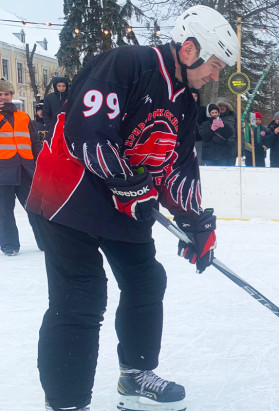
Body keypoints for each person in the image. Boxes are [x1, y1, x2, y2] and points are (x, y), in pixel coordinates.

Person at [25, 5, 238, 411]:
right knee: (82, 297)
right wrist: (129, 186)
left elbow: (177, 167)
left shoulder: (186, 102)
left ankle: (135, 376)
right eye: (214, 64)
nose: (216, 75)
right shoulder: (127, 63)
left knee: (146, 282)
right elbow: (87, 133)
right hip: (70, 198)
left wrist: (196, 224)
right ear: (189, 49)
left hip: (125, 205)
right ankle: (67, 403)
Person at [0, 79, 44, 256]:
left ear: (12, 95)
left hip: (25, 169)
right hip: (3, 172)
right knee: (4, 211)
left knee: (35, 208)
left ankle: (45, 242)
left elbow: (34, 141)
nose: (4, 97)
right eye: (0, 94)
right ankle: (9, 245)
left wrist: (39, 161)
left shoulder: (23, 116)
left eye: (6, 94)